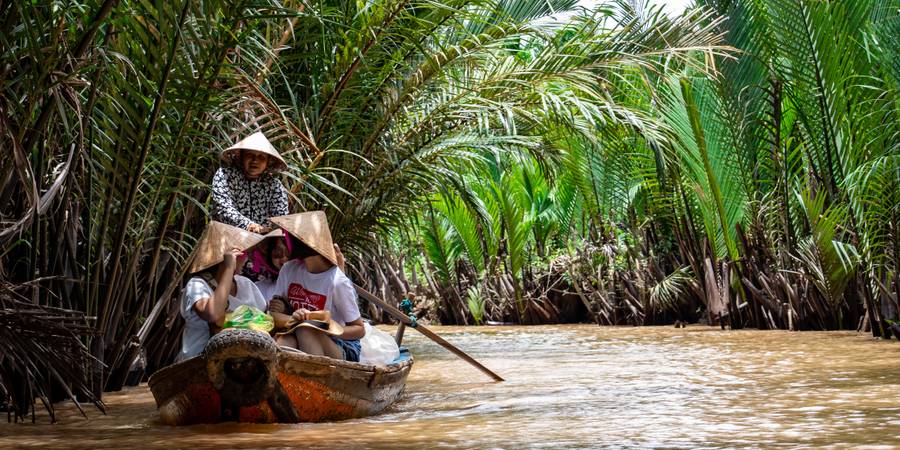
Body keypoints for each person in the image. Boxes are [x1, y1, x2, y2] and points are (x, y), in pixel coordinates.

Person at [267, 211, 365, 362]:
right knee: (286, 340)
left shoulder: (337, 281)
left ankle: (317, 380)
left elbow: (359, 329)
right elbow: (274, 314)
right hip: (299, 333)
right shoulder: (289, 269)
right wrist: (295, 318)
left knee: (305, 330)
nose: (287, 241)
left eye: (292, 237)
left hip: (341, 345)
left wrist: (327, 327)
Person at [178, 221, 267, 361]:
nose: (247, 259)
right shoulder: (197, 284)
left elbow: (264, 319)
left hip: (245, 360)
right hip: (199, 361)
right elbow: (213, 314)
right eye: (243, 254)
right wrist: (228, 267)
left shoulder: (246, 284)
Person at [211, 131, 289, 233]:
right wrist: (251, 226)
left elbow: (281, 217)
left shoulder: (274, 185)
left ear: (268, 162)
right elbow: (222, 208)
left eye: (261, 157)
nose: (255, 160)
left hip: (263, 241)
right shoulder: (225, 175)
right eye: (250, 155)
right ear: (241, 157)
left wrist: (276, 237)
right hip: (228, 237)